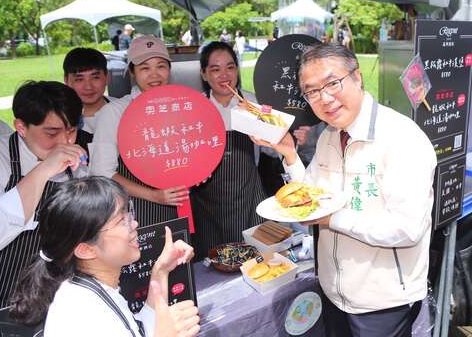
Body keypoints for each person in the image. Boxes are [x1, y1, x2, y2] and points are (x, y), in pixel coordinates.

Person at [252, 43, 437, 337]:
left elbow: (407, 229)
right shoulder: (328, 136)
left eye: (332, 83)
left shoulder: (402, 138)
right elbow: (311, 197)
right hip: (333, 292)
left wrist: (330, 220)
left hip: (381, 303)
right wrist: (289, 153)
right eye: (312, 91)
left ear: (357, 77)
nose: (324, 98)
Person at [9, 176, 200, 337]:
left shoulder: (90, 289)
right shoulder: (84, 314)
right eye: (121, 221)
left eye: (129, 213)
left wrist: (161, 271)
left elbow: (138, 329)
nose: (134, 224)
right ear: (85, 250)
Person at [0, 81, 87, 337]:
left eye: (71, 131)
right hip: (3, 304)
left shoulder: (77, 164)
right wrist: (44, 170)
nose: (64, 142)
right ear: (21, 127)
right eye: (51, 133)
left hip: (59, 299)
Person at [90, 36, 189, 228]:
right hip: (136, 211)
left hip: (183, 206)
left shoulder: (182, 107)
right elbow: (101, 172)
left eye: (161, 66)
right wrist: (153, 195)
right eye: (145, 68)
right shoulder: (114, 112)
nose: (154, 75)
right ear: (132, 72)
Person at [190, 41, 265, 258]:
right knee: (215, 264)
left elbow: (272, 150)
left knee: (253, 259)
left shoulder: (252, 104)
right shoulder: (195, 109)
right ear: (204, 74)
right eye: (215, 69)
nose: (224, 75)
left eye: (230, 67)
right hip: (207, 205)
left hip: (249, 197)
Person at [63, 47, 117, 135]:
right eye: (79, 79)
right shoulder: (57, 120)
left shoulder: (124, 110)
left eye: (95, 77)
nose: (88, 87)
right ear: (66, 80)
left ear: (107, 77)